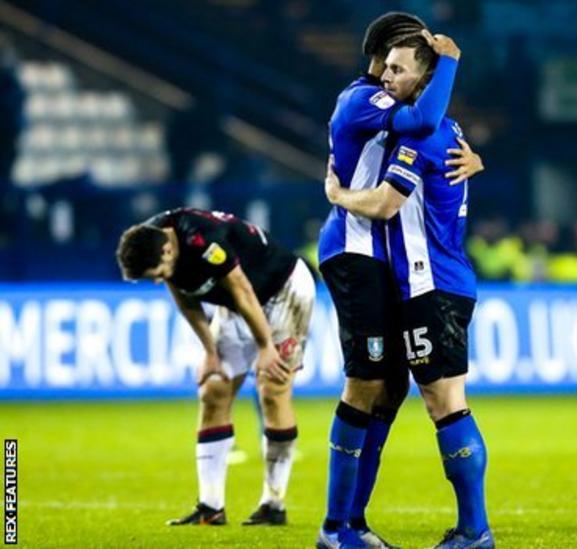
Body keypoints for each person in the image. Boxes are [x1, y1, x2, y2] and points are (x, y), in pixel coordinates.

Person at [315, 12, 484, 549]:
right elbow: (423, 131)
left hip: (426, 280)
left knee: (423, 395)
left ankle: (466, 530)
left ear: (424, 78)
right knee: (379, 386)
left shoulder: (426, 129)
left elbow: (389, 201)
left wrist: (339, 195)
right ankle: (342, 526)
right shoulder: (364, 102)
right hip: (382, 264)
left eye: (399, 68)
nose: (387, 75)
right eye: (386, 64)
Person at [115, 208, 314, 526]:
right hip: (237, 304)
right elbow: (181, 292)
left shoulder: (202, 238)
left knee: (272, 388)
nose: (158, 282)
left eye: (157, 274)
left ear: (169, 250)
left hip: (282, 291)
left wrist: (265, 347)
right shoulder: (155, 241)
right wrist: (209, 351)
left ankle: (273, 504)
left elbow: (242, 289)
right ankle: (211, 507)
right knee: (213, 389)